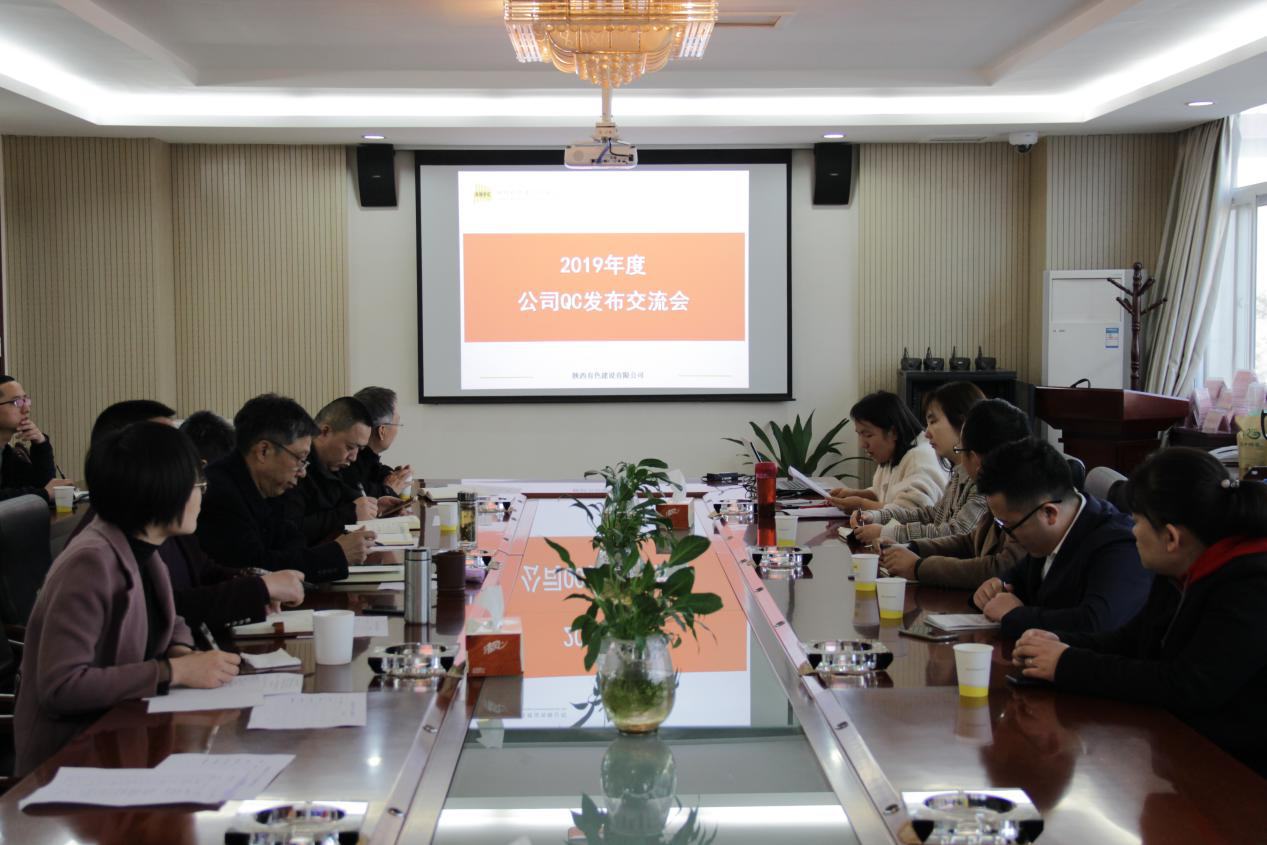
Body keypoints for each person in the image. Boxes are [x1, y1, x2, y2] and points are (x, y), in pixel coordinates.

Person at [1013, 447, 1267, 777]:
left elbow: (1187, 685)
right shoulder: (1179, 567)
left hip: (1239, 772)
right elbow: (1132, 641)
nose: (1132, 531)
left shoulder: (1251, 585)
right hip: (1181, 749)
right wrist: (1057, 642)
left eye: (1136, 522)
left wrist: (1066, 663)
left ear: (1171, 537)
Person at [14, 422, 241, 775]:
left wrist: (180, 650)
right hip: (74, 761)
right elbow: (61, 687)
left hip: (126, 737)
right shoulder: (91, 562)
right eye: (198, 486)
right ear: (163, 491)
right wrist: (174, 671)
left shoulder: (141, 546)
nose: (202, 496)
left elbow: (171, 617)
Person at [72, 400, 304, 633]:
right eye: (169, 448)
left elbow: (192, 587)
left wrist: (257, 582)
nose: (185, 463)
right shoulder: (97, 555)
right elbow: (160, 613)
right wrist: (259, 589)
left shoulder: (155, 526)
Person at [972, 437, 1152, 638]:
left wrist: (1015, 615)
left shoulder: (1119, 545)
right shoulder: (1048, 535)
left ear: (1049, 513)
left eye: (1009, 526)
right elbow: (1018, 579)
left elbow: (1096, 624)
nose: (1009, 536)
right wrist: (996, 586)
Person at [197, 394, 374, 583]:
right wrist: (336, 554)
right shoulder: (219, 493)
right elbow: (255, 568)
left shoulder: (269, 486)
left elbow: (292, 542)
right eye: (300, 459)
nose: (303, 472)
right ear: (264, 451)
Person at [879, 398, 1031, 585]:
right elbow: (970, 542)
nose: (927, 433)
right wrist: (912, 548)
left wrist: (918, 567)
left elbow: (1000, 568)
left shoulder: (1020, 498)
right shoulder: (998, 487)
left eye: (960, 449)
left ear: (975, 458)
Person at [852, 381, 986, 544]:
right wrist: (876, 516)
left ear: (963, 422)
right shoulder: (959, 472)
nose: (927, 433)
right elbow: (931, 514)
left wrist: (887, 532)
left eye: (933, 422)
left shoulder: (983, 477)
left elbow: (957, 532)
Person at [283, 396, 397, 545]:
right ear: (324, 431)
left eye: (359, 449)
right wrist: (350, 514)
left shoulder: (335, 465)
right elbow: (289, 531)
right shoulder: (294, 466)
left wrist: (375, 507)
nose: (354, 457)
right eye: (350, 447)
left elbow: (348, 498)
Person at [827, 391, 947, 513]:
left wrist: (861, 505)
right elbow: (884, 494)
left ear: (893, 432)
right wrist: (855, 494)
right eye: (859, 434)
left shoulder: (919, 459)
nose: (862, 444)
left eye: (868, 435)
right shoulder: (893, 452)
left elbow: (911, 513)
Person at [0, 375, 73, 502]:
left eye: (26, 400)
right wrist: (43, 494)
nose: (26, 409)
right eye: (16, 402)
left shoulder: (6, 454)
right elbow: (45, 491)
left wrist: (41, 444)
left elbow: (43, 484)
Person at [341, 386, 412, 498]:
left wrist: (391, 475)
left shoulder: (364, 456)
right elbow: (360, 496)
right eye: (397, 423)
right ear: (382, 431)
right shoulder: (346, 461)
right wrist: (388, 490)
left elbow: (374, 469)